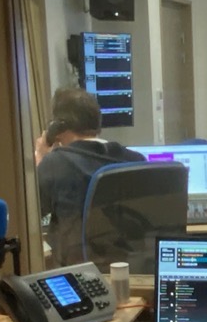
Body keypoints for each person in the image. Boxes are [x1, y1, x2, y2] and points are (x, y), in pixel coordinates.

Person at [36, 87, 139, 265]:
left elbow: (30, 213)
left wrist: (41, 158)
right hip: (133, 270)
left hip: (79, 273)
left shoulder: (56, 163)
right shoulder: (136, 160)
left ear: (58, 127)